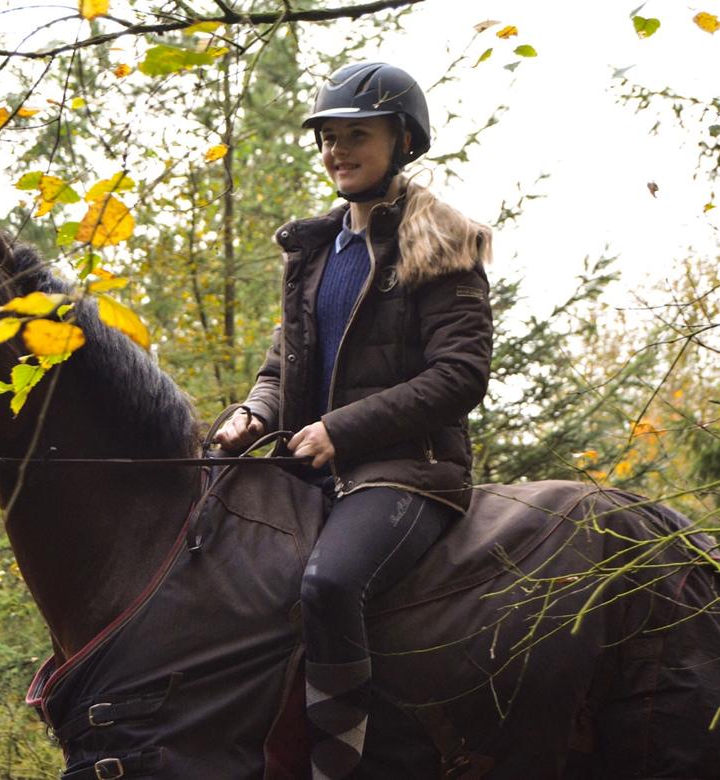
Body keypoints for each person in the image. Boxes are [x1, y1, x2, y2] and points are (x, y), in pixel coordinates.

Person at [213, 61, 494, 778]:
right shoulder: (315, 250)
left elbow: (460, 376)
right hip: (311, 470)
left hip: (408, 471)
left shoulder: (442, 242)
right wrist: (252, 413)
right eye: (328, 138)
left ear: (402, 139)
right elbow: (283, 369)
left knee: (329, 583)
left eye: (356, 135)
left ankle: (340, 763)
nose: (337, 150)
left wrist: (344, 428)